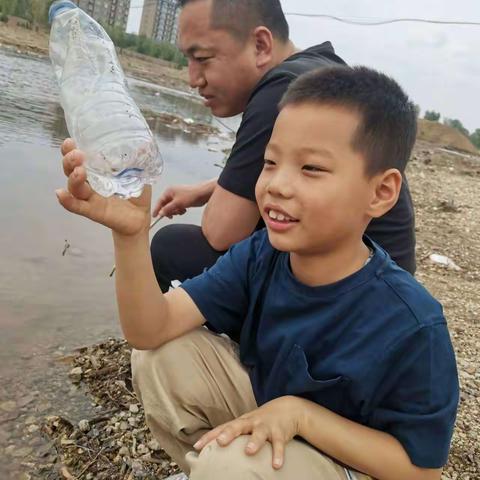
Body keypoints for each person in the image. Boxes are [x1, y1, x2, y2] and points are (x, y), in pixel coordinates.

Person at [56, 65, 458, 480]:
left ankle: (224, 471)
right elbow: (150, 330)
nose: (276, 185)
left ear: (381, 192)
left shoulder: (412, 324)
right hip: (273, 428)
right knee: (160, 357)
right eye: (270, 162)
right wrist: (131, 235)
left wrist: (301, 416)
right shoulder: (261, 253)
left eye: (311, 168)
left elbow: (421, 471)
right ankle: (211, 471)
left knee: (231, 466)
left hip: (351, 466)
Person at [149, 0, 416, 293]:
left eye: (202, 58)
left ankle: (231, 338)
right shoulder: (320, 72)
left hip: (353, 299)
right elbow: (299, 171)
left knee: (173, 247)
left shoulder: (279, 95)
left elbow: (220, 233)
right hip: (386, 279)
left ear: (261, 45)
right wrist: (206, 189)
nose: (192, 79)